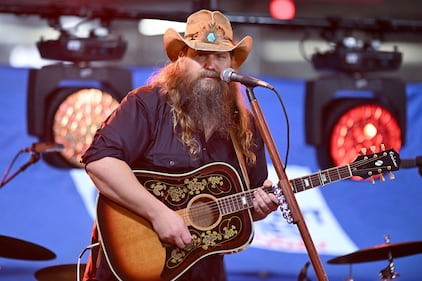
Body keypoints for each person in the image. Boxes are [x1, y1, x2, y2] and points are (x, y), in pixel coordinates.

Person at [81, 9, 279, 281]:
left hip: (205, 273)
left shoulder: (245, 127)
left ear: (232, 64)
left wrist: (259, 209)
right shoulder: (148, 104)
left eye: (220, 56)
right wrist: (158, 213)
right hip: (134, 270)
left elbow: (247, 202)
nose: (211, 65)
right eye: (200, 55)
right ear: (180, 59)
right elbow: (100, 162)